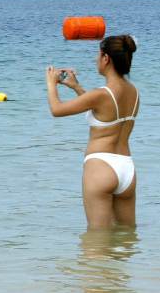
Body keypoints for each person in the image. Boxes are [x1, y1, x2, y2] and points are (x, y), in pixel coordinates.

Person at [47, 35, 140, 228]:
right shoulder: (134, 92)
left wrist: (51, 83)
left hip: (101, 167)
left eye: (98, 55)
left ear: (106, 58)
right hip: (126, 168)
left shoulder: (101, 94)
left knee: (96, 242)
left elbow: (57, 110)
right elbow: (104, 113)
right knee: (126, 236)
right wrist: (76, 87)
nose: (95, 60)